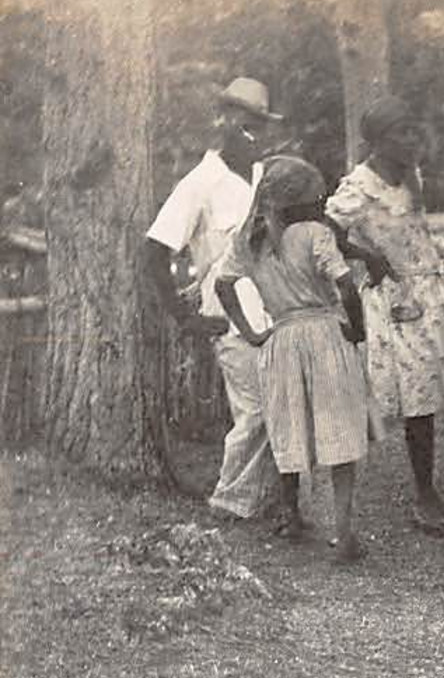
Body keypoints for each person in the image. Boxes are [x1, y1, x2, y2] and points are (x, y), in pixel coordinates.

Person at [213, 156, 371, 563]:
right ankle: (344, 532)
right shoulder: (315, 234)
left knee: (291, 428)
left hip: (281, 338)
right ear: (299, 200)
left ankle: (292, 513)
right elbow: (347, 287)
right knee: (339, 430)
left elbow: (222, 285)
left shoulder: (248, 240)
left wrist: (251, 332)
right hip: (323, 334)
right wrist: (357, 328)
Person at [325, 95, 444, 535]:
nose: (412, 140)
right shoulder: (359, 187)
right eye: (401, 133)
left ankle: (430, 491)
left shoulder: (410, 178)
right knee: (416, 405)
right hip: (395, 301)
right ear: (378, 141)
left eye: (413, 130)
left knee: (428, 402)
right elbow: (324, 233)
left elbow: (419, 237)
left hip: (426, 293)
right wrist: (365, 256)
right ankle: (422, 498)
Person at [144, 77, 282, 522]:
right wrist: (187, 318)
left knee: (284, 404)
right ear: (223, 121)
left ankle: (279, 502)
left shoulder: (268, 176)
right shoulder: (200, 183)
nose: (252, 132)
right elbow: (155, 249)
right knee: (256, 412)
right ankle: (230, 502)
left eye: (259, 124)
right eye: (243, 122)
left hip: (280, 312)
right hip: (230, 318)